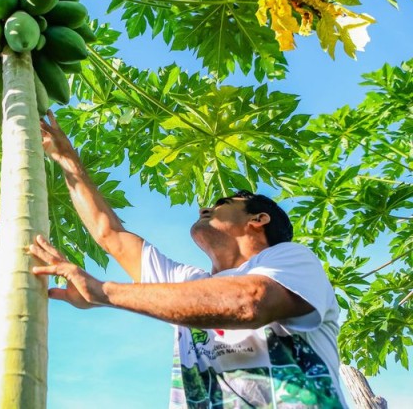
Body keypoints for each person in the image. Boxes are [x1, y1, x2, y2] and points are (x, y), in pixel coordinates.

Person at [29, 111, 346, 409]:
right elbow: (109, 233)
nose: (204, 209)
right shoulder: (190, 283)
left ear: (259, 219)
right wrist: (65, 157)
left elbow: (250, 302)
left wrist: (104, 292)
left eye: (223, 203)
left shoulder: (292, 258)